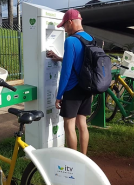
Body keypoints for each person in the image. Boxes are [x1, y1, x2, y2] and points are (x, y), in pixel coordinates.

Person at [46, 9, 93, 155]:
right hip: (87, 87)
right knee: (82, 124)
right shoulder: (90, 38)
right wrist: (60, 58)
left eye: (65, 26)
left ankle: (74, 161)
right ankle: (84, 157)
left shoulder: (70, 40)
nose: (64, 29)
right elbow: (79, 62)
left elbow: (66, 72)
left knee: (69, 125)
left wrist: (59, 95)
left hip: (73, 90)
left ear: (70, 22)